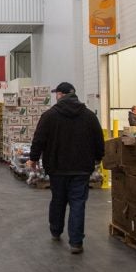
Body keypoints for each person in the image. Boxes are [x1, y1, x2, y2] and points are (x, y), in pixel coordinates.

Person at [28, 82, 105, 254]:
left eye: (57, 93)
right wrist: (98, 158)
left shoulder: (49, 116)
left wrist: (33, 158)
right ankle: (76, 243)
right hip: (81, 168)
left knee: (58, 199)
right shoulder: (89, 116)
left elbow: (39, 138)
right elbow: (99, 140)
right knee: (78, 203)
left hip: (57, 168)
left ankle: (56, 231)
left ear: (60, 95)